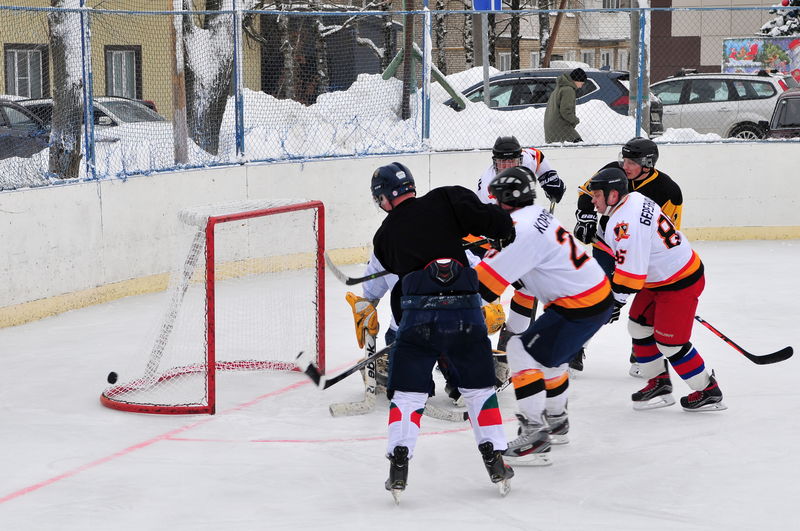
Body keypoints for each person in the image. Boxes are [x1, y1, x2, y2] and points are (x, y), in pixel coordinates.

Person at [368, 161, 516, 501]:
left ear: (383, 198)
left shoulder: (384, 237)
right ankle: (495, 459)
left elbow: (394, 269)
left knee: (407, 394)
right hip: (465, 312)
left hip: (419, 318)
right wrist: (503, 230)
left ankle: (399, 462)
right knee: (479, 389)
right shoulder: (446, 199)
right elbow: (493, 222)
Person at [475, 166, 614, 465]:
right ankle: (557, 421)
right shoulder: (536, 214)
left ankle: (535, 432)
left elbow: (482, 287)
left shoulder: (518, 231)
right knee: (551, 359)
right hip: (595, 294)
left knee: (519, 349)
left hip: (577, 304)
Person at [587, 167, 726, 412]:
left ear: (612, 195)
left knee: (670, 344)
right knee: (639, 326)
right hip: (660, 278)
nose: (592, 200)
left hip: (680, 282)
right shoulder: (634, 199)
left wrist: (614, 303)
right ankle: (659, 382)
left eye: (596, 194)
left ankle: (708, 390)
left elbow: (631, 276)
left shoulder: (624, 224)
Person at [573, 136, 683, 374]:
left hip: (640, 257)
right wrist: (586, 216)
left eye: (632, 161)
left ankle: (642, 355)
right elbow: (586, 192)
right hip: (607, 245)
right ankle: (576, 349)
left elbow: (670, 231)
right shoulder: (613, 172)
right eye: (624, 159)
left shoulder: (668, 190)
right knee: (598, 297)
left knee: (644, 308)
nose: (625, 165)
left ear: (648, 163)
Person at [475, 135, 568, 372]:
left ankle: (507, 347)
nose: (506, 167)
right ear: (494, 162)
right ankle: (459, 346)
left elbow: (538, 157)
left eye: (511, 162)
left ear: (519, 157)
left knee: (527, 287)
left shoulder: (525, 158)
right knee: (481, 298)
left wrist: (550, 177)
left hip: (512, 236)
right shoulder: (490, 186)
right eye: (502, 163)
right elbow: (500, 225)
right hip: (484, 240)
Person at [544, 68, 586, 143]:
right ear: (577, 80)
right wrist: (575, 120)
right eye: (582, 83)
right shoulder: (568, 90)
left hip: (553, 126)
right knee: (579, 145)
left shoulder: (560, 87)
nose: (581, 86)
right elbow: (565, 111)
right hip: (561, 126)